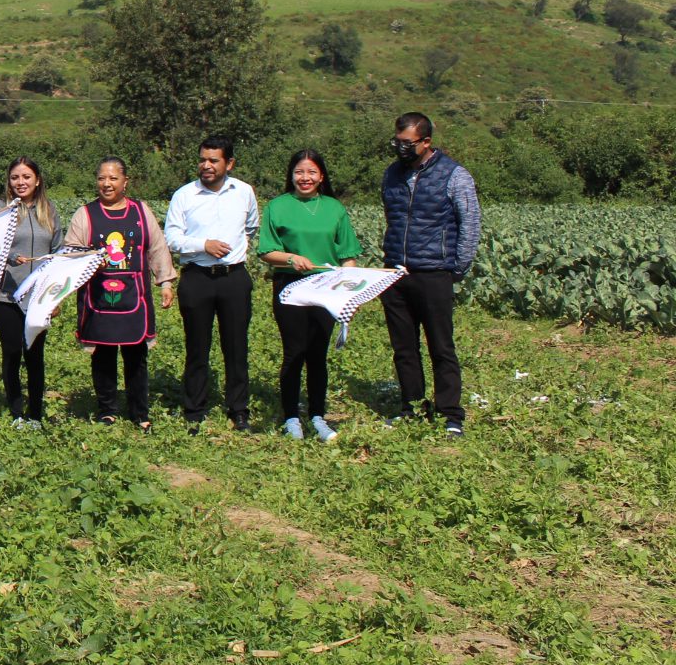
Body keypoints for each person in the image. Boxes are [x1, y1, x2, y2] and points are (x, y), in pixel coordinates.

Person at [379, 112, 481, 437]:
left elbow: (470, 225)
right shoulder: (391, 175)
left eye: (407, 143)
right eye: (397, 142)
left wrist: (456, 268)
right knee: (404, 347)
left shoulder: (454, 175)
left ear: (426, 142)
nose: (401, 148)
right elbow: (392, 219)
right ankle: (412, 406)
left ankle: (450, 413)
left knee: (441, 345)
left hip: (434, 272)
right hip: (395, 273)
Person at [257, 149, 362, 442]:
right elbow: (266, 251)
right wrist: (291, 258)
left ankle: (317, 415)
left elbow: (348, 254)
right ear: (291, 175)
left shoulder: (334, 208)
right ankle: (291, 416)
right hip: (290, 287)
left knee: (318, 353)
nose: (305, 178)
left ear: (321, 176)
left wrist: (347, 289)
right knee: (294, 352)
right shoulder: (277, 207)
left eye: (311, 172)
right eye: (300, 172)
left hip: (327, 288)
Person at [64, 158, 175, 429]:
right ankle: (107, 410)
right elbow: (70, 252)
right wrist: (89, 261)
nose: (107, 184)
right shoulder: (85, 214)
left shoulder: (140, 211)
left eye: (113, 178)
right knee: (103, 356)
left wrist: (166, 282)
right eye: (102, 178)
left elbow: (157, 247)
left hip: (134, 297)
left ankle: (140, 412)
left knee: (136, 356)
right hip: (98, 297)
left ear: (125, 182)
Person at [163, 136, 260, 432]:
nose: (206, 165)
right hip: (197, 277)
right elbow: (171, 237)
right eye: (202, 159)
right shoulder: (184, 195)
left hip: (233, 278)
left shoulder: (244, 192)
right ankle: (194, 409)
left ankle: (238, 409)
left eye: (213, 160)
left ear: (228, 163)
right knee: (197, 347)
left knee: (236, 346)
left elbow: (252, 227)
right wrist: (202, 244)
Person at [0, 157, 69, 429]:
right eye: (15, 178)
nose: (20, 182)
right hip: (6, 295)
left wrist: (55, 296)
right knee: (12, 352)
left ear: (38, 180)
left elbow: (58, 252)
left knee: (35, 353)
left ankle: (35, 414)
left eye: (26, 177)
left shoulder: (49, 210)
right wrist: (11, 257)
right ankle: (16, 412)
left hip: (39, 297)